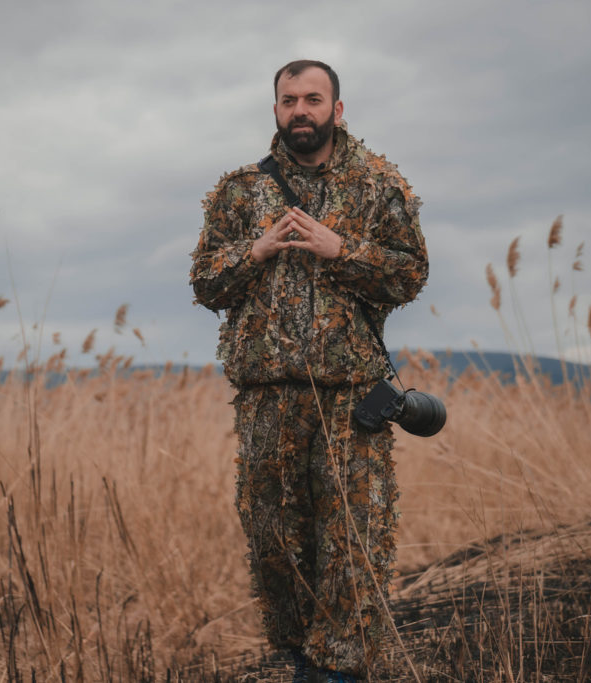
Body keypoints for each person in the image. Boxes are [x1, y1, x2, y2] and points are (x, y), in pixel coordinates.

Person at [189, 59, 428, 682]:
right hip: (267, 401)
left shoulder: (379, 186)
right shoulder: (241, 192)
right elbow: (206, 284)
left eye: (313, 99)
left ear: (337, 110)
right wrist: (257, 248)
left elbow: (410, 274)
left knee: (354, 548)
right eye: (289, 99)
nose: (301, 110)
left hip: (353, 399)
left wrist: (340, 248)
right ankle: (302, 662)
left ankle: (337, 674)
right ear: (275, 109)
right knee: (277, 549)